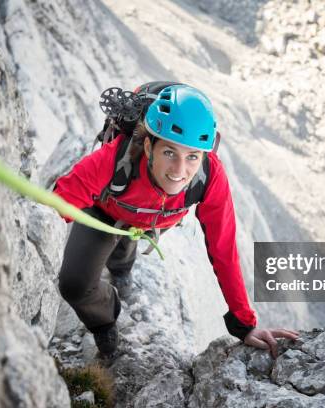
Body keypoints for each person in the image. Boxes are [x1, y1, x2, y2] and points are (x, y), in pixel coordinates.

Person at [54, 83, 298, 357]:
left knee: (124, 251)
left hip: (151, 219)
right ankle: (105, 318)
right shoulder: (113, 160)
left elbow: (224, 249)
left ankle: (122, 269)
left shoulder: (210, 176)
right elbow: (55, 206)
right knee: (74, 286)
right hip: (105, 212)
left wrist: (245, 324)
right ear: (148, 146)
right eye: (169, 152)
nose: (180, 172)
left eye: (192, 157)